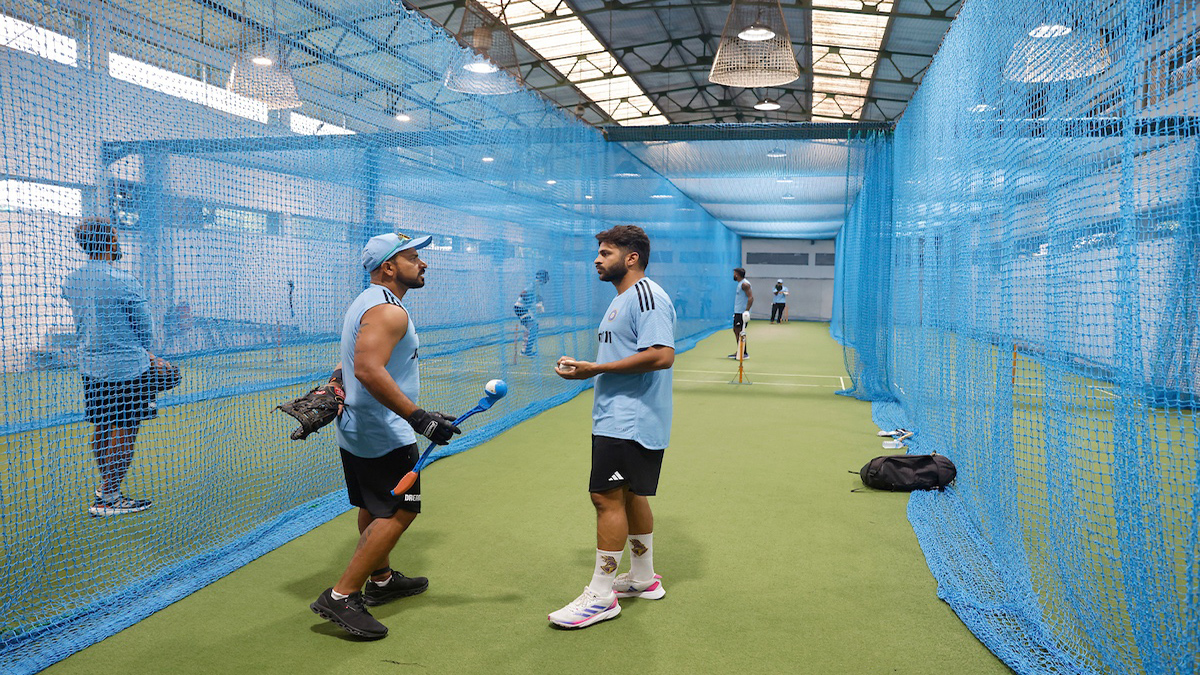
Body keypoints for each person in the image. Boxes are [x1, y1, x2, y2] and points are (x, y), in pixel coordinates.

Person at [309, 232, 462, 640]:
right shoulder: (389, 312)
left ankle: (381, 580)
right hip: (383, 432)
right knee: (400, 511)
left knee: (374, 505)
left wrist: (419, 412)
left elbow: (356, 368)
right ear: (389, 267)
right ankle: (341, 596)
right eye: (414, 257)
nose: (423, 263)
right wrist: (418, 419)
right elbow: (369, 371)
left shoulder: (367, 301)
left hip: (359, 427)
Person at [552, 225, 676, 629]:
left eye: (606, 253)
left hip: (630, 419)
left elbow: (661, 356)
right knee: (630, 494)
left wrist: (596, 368)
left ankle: (601, 595)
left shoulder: (646, 295)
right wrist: (587, 370)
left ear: (631, 257)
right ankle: (642, 578)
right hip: (618, 416)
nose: (597, 259)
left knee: (605, 498)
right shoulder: (621, 300)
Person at [62, 218, 174, 517]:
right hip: (128, 369)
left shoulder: (72, 280)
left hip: (90, 365)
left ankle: (106, 487)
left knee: (102, 424)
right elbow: (145, 332)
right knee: (124, 428)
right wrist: (151, 358)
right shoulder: (124, 281)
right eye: (115, 236)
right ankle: (109, 498)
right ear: (110, 242)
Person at [513, 269, 549, 356]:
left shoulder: (537, 285)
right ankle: (525, 351)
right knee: (533, 327)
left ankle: (526, 350)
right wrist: (530, 302)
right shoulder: (535, 284)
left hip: (523, 309)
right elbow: (523, 293)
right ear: (542, 277)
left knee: (533, 327)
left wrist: (539, 302)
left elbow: (537, 297)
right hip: (520, 308)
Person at [730, 267, 753, 358]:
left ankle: (743, 353)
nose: (733, 275)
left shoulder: (744, 284)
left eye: (734, 273)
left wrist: (746, 311)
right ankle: (741, 351)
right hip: (738, 312)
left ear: (737, 275)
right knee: (736, 330)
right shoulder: (740, 284)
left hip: (741, 313)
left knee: (739, 331)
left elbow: (751, 298)